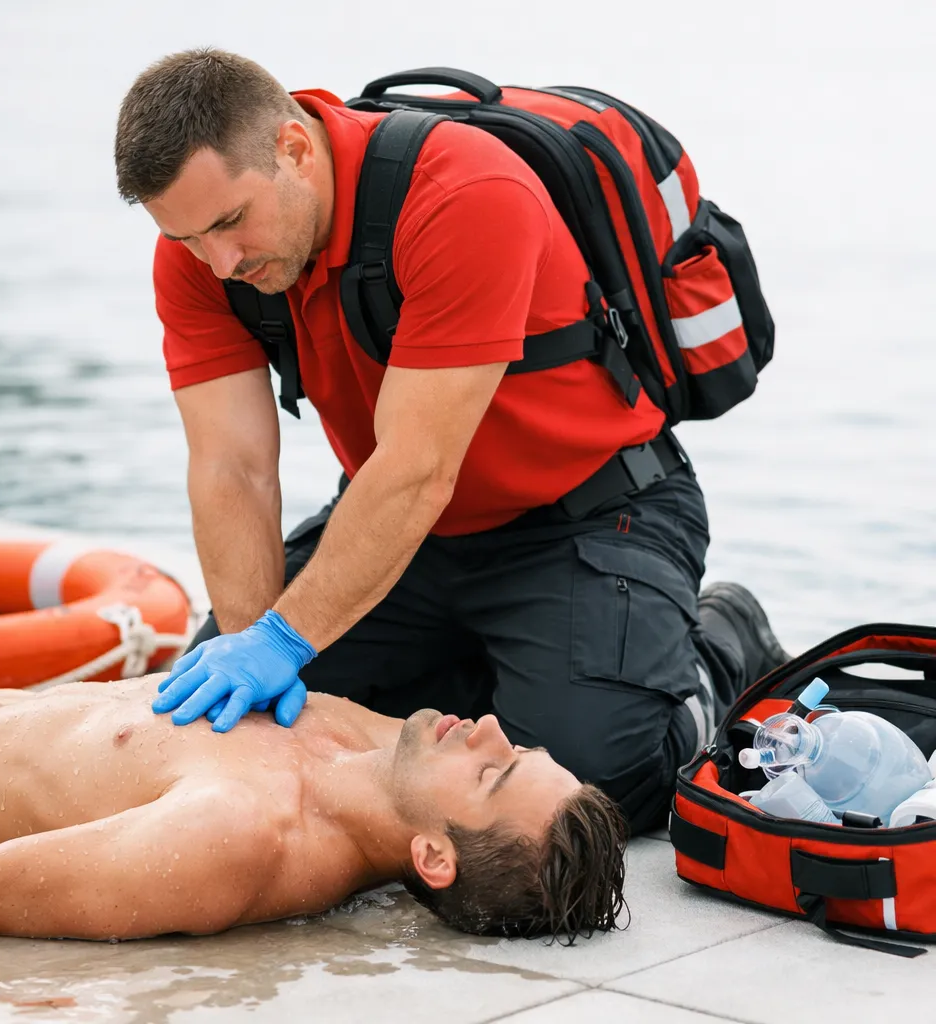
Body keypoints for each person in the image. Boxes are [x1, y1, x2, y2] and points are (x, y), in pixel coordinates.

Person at [113, 50, 788, 834]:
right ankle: (495, 670)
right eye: (189, 238)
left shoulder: (464, 192)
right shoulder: (202, 254)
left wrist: (285, 640)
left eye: (231, 223)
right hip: (407, 537)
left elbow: (417, 468)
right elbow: (232, 469)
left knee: (592, 791)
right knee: (212, 731)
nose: (220, 263)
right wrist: (247, 652)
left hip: (588, 515)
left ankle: (720, 643)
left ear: (294, 149)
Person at [0, 679, 625, 941]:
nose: (492, 731)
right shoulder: (385, 756)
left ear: (434, 856)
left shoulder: (233, 834)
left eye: (493, 773)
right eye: (519, 748)